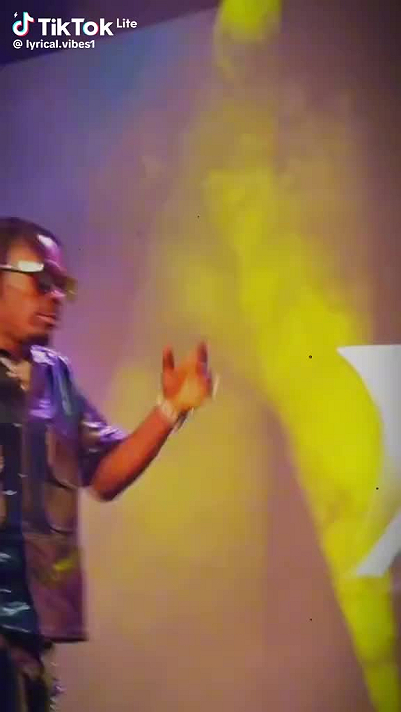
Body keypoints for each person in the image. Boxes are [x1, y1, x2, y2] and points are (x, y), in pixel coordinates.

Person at [0, 217, 214, 711]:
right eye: (42, 281)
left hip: (28, 637)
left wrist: (170, 409)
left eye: (63, 285)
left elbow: (104, 475)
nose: (56, 296)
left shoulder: (54, 377)